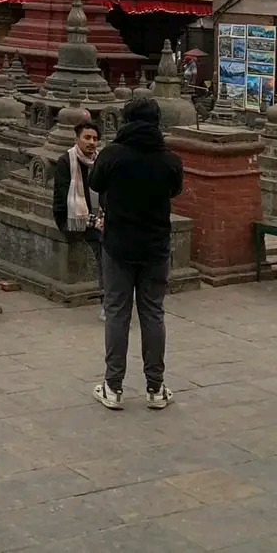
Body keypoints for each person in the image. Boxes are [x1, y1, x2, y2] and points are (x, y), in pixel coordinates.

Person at [89, 94, 184, 412]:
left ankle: (113, 387)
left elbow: (95, 181)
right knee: (153, 314)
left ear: (126, 121)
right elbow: (175, 190)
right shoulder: (169, 159)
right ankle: (155, 388)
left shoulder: (113, 154)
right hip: (156, 246)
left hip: (118, 245)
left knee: (117, 312)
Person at [53, 117, 104, 313]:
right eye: (87, 137)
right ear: (77, 139)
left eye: (95, 138)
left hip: (97, 217)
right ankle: (106, 302)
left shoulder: (100, 161)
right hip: (73, 217)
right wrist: (88, 218)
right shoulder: (66, 161)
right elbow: (62, 196)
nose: (91, 142)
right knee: (103, 247)